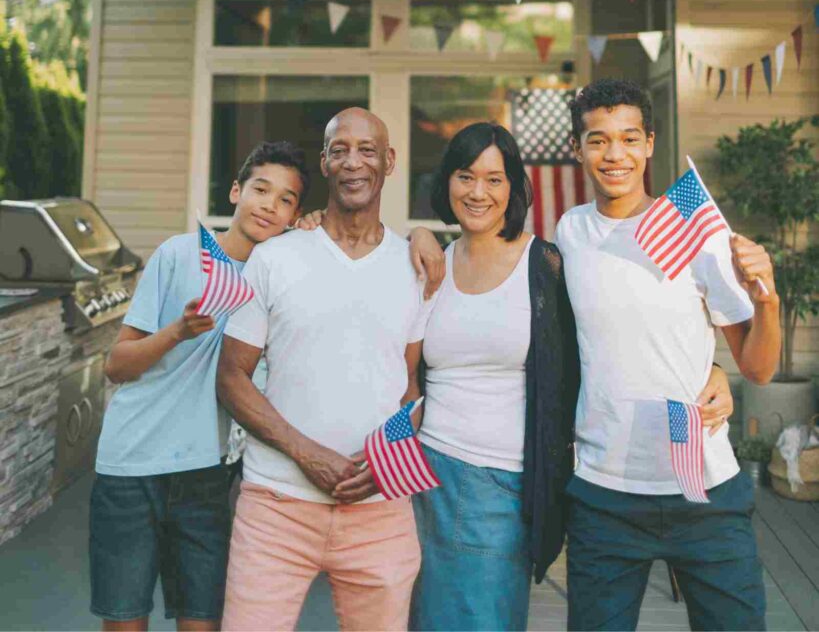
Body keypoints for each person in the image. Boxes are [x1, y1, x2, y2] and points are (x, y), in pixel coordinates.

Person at [405, 121, 734, 632]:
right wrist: (416, 232)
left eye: (495, 179)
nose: (478, 191)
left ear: (515, 187)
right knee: (422, 617)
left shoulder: (546, 264)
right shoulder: (431, 263)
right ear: (446, 182)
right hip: (422, 476)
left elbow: (606, 338)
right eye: (465, 176)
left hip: (499, 478)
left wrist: (712, 368)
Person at [558, 78, 779, 632]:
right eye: (598, 139)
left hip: (703, 488)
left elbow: (758, 366)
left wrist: (768, 300)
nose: (615, 155)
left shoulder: (693, 230)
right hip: (604, 492)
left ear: (650, 144)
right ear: (578, 148)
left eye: (630, 139)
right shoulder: (571, 233)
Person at [216, 108, 443, 632]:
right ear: (324, 163)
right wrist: (306, 453)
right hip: (276, 506)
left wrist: (388, 462)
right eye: (339, 150)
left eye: (367, 150)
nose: (353, 162)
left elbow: (412, 387)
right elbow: (231, 377)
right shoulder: (276, 258)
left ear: (388, 161)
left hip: (381, 511)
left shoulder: (415, 266)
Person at [89, 141, 310, 632]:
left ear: (296, 216)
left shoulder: (283, 276)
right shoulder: (178, 254)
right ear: (235, 191)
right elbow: (116, 365)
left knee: (202, 622)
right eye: (260, 189)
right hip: (132, 467)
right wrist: (177, 332)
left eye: (287, 199)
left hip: (208, 473)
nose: (269, 205)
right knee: (125, 619)